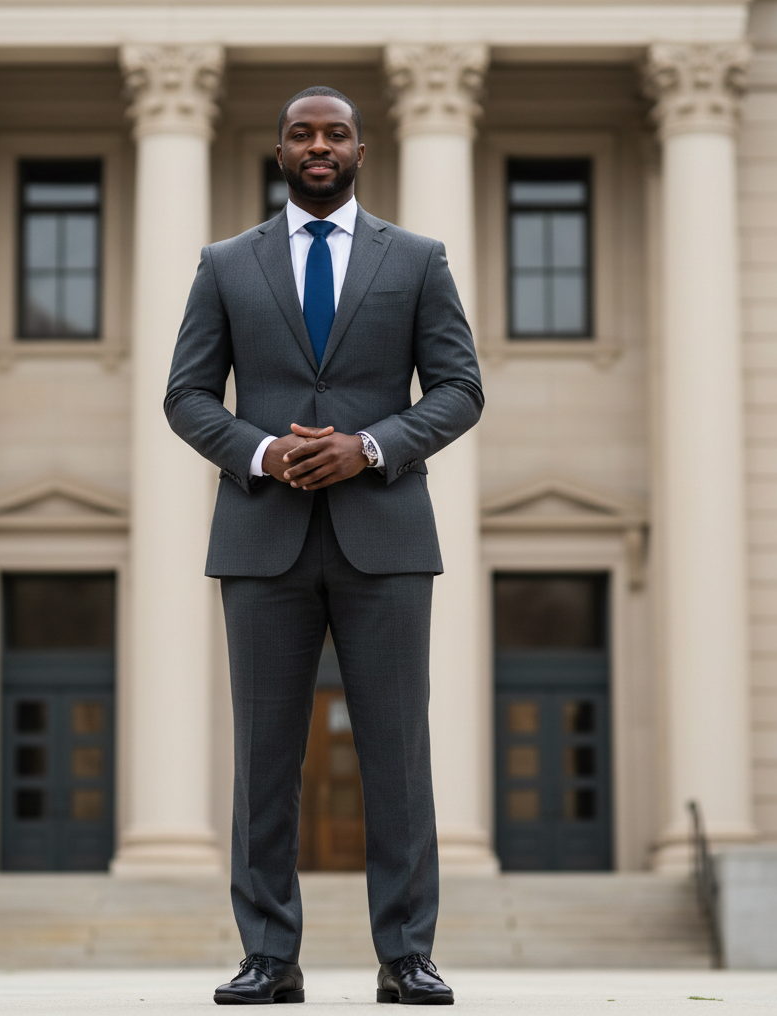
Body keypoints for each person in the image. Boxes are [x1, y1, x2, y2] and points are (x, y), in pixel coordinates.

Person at [164, 86, 483, 1006]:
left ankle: (406, 957)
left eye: (334, 133)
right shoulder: (225, 264)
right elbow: (187, 395)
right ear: (279, 152)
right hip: (262, 538)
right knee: (265, 757)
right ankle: (269, 958)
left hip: (385, 536)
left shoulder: (417, 260)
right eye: (302, 133)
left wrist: (368, 447)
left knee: (397, 754)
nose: (318, 145)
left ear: (359, 149)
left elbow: (459, 388)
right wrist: (264, 452)